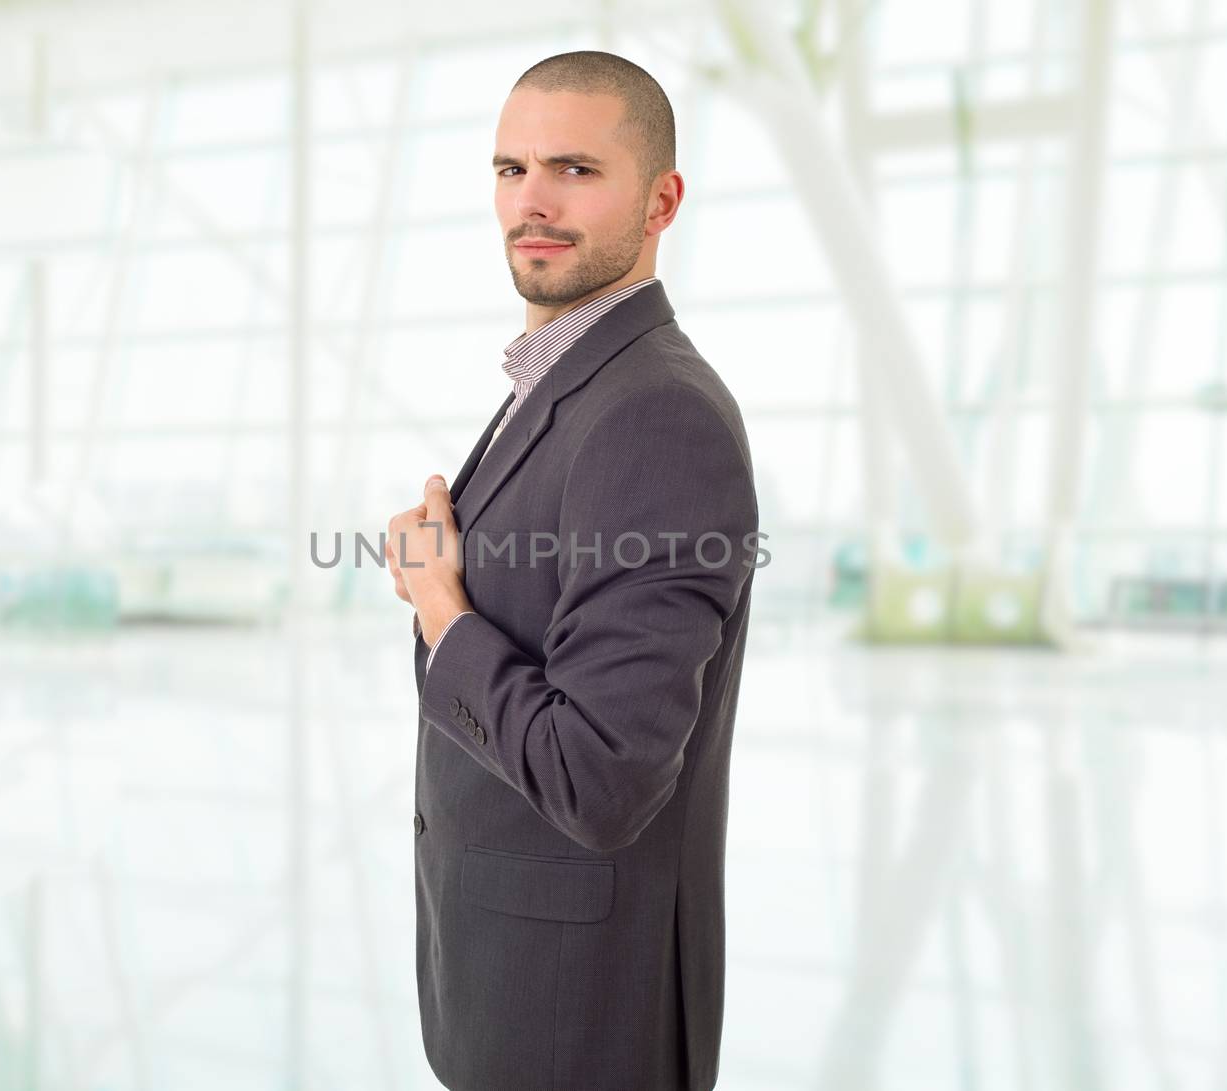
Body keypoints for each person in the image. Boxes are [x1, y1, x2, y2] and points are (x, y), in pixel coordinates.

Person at [384, 49, 760, 1091]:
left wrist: (440, 608)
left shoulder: (655, 412)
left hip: (577, 1022)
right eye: (510, 170)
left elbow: (600, 778)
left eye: (574, 170)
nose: (532, 201)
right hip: (518, 988)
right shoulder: (565, 382)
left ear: (660, 199)